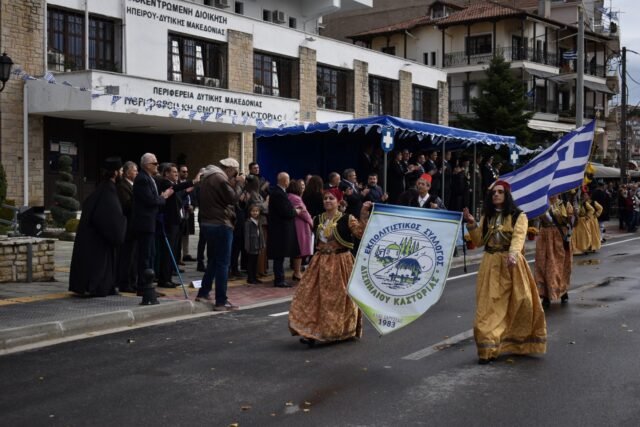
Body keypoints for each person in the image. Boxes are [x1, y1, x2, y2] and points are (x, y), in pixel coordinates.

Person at [462, 180, 547, 365]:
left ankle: (516, 342)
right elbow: (479, 242)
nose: (496, 195)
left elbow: (518, 237)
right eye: (494, 192)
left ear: (506, 195)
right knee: (488, 306)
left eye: (500, 192)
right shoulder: (487, 216)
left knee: (521, 301)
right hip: (490, 264)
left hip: (512, 265)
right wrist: (472, 224)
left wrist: (513, 254)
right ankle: (487, 349)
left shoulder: (519, 216)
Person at [288, 192, 371, 346]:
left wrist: (364, 215)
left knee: (338, 299)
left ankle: (339, 330)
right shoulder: (317, 219)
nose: (327, 201)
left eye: (331, 198)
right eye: (325, 198)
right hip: (320, 261)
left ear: (338, 202)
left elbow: (360, 234)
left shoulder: (347, 218)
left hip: (341, 262)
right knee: (310, 296)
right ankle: (312, 331)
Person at [69, 158, 128, 297]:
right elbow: (110, 218)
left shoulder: (103, 188)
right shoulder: (108, 191)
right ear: (115, 173)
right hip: (99, 240)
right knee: (99, 268)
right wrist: (123, 222)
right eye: (120, 171)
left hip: (96, 238)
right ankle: (96, 288)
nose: (122, 173)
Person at [196, 158, 241, 311]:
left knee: (214, 260)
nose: (234, 176)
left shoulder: (207, 176)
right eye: (234, 173)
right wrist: (238, 184)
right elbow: (233, 198)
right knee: (223, 263)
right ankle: (221, 301)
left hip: (207, 223)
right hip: (221, 223)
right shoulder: (220, 178)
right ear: (229, 169)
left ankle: (203, 292)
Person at [132, 153, 174, 296]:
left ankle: (148, 286)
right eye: (154, 163)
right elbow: (150, 200)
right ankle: (144, 287)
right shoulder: (142, 179)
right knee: (146, 256)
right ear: (146, 165)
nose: (157, 166)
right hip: (144, 223)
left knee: (151, 254)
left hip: (151, 222)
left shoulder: (149, 178)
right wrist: (163, 197)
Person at [156, 164, 199, 288]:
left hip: (176, 222)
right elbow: (175, 189)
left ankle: (169, 277)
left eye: (176, 172)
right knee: (167, 251)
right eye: (174, 172)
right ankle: (164, 279)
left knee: (173, 251)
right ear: (166, 173)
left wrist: (186, 192)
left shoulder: (173, 185)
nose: (176, 174)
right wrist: (193, 181)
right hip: (169, 222)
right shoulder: (165, 183)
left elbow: (178, 196)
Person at [535, 194, 574, 310]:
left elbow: (572, 222)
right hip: (544, 237)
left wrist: (573, 216)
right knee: (543, 265)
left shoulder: (564, 204)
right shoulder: (541, 204)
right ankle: (546, 294)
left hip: (560, 237)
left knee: (560, 265)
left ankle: (562, 290)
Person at [267, 172, 301, 288]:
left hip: (279, 229)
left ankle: (280, 279)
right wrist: (295, 211)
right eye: (288, 179)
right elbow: (285, 211)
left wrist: (292, 209)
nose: (289, 182)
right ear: (285, 181)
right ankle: (279, 280)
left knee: (279, 256)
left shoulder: (279, 192)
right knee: (279, 255)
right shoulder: (278, 193)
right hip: (279, 230)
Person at [116, 161, 138, 293]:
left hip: (135, 226)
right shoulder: (122, 186)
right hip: (128, 226)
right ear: (128, 172)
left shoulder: (133, 185)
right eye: (135, 170)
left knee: (134, 257)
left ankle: (133, 282)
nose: (137, 173)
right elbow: (127, 205)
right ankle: (125, 283)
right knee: (127, 257)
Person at [287, 179, 313, 281]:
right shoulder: (295, 198)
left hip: (296, 224)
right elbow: (304, 212)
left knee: (298, 249)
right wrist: (312, 222)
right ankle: (297, 272)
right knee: (300, 249)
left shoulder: (289, 196)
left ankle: (296, 271)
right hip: (300, 225)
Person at [244, 203, 265, 285]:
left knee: (255, 262)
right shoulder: (248, 222)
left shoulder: (258, 221)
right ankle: (250, 278)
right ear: (250, 212)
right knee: (251, 262)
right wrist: (247, 246)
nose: (255, 213)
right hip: (251, 245)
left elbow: (261, 234)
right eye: (253, 211)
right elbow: (246, 235)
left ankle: (254, 277)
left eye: (256, 211)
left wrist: (262, 244)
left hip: (257, 245)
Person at [571, 189, 594, 255]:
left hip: (582, 222)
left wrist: (587, 216)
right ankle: (576, 249)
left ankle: (584, 247)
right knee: (575, 236)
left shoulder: (583, 203)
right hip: (574, 222)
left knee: (584, 235)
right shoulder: (570, 203)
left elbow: (592, 210)